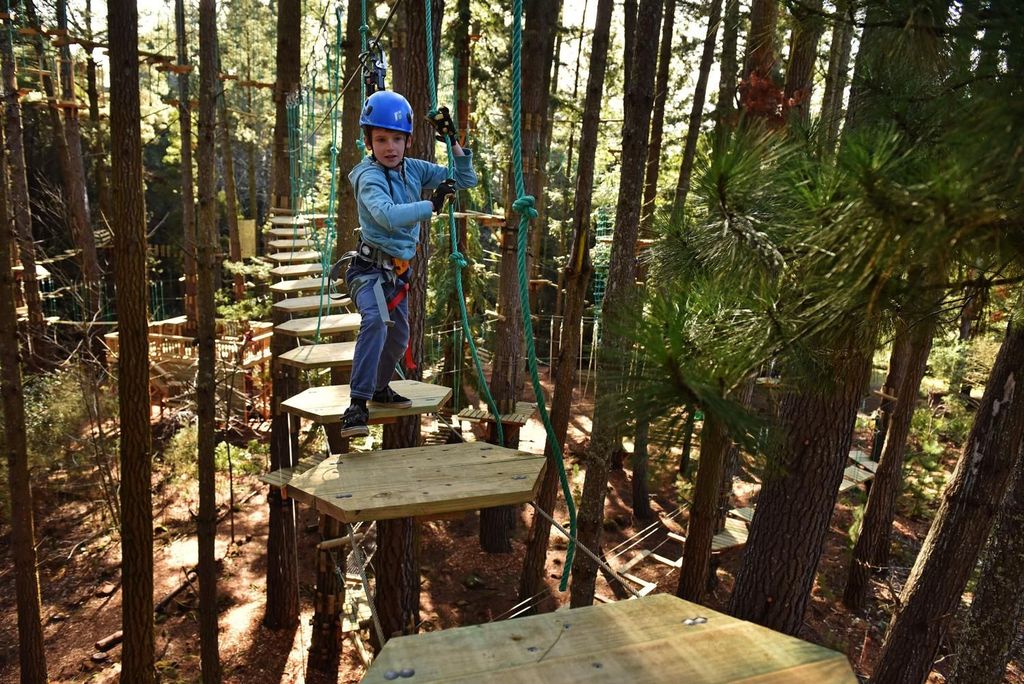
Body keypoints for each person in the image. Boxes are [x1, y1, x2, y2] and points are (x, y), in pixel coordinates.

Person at [338, 90, 477, 438]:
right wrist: (431, 206)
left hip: (396, 274)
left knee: (399, 339)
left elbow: (464, 180)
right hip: (368, 271)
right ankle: (357, 404)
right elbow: (386, 217)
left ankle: (381, 386)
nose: (390, 147)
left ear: (408, 141)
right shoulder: (366, 176)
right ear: (369, 141)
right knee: (375, 322)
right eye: (381, 139)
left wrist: (452, 141)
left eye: (396, 139)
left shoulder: (412, 169)